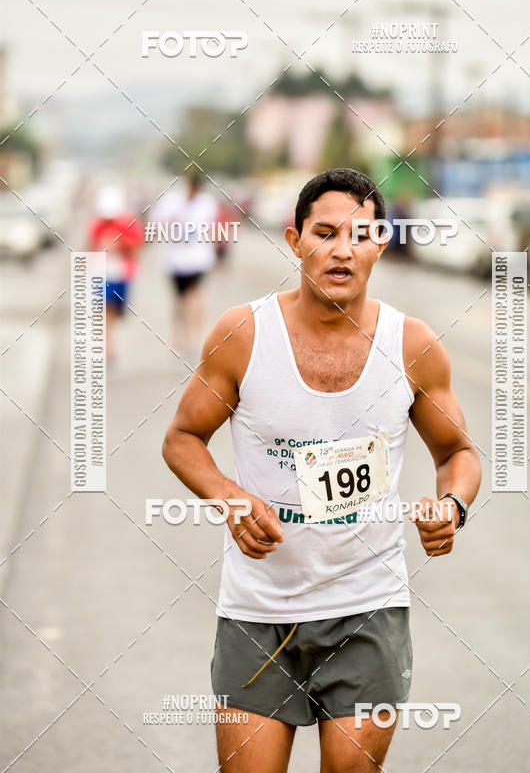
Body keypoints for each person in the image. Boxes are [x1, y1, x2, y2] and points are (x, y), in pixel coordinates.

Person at [162, 168, 481, 772]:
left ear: (381, 242)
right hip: (259, 608)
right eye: (325, 232)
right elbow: (182, 438)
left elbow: (458, 453)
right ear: (295, 240)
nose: (342, 249)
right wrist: (229, 497)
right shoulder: (242, 334)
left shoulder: (411, 345)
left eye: (360, 234)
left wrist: (452, 505)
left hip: (368, 605)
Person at [151, 169, 219, 352]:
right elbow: (156, 226)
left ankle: (194, 335)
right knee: (179, 299)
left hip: (198, 259)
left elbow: (212, 229)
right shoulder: (171, 201)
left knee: (195, 295)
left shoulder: (206, 203)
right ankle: (179, 334)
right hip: (175, 260)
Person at [88, 185, 144, 361]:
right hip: (101, 273)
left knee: (113, 312)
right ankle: (106, 348)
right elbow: (91, 245)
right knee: (103, 311)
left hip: (121, 274)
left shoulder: (128, 223)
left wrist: (121, 244)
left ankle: (108, 346)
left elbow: (138, 245)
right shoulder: (96, 224)